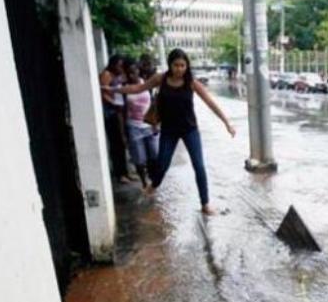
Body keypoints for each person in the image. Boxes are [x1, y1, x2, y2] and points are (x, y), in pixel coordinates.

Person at [105, 49, 236, 215]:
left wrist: (226, 123)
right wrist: (114, 90)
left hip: (190, 130)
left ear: (187, 65)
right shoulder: (161, 79)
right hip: (169, 130)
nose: (179, 69)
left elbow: (210, 103)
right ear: (170, 65)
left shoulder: (191, 82)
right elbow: (138, 88)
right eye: (176, 65)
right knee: (162, 164)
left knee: (199, 166)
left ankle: (205, 204)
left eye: (183, 65)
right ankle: (154, 185)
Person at [123, 60, 159, 189]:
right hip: (133, 127)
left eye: (135, 71)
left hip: (149, 126)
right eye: (130, 73)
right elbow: (122, 111)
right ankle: (144, 183)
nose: (133, 75)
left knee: (154, 155)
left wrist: (156, 124)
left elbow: (154, 105)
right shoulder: (125, 88)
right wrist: (123, 132)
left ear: (139, 71)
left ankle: (153, 179)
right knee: (139, 158)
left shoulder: (147, 85)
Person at [99, 54, 133, 183]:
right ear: (113, 64)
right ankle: (120, 173)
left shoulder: (118, 75)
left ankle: (124, 171)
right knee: (116, 142)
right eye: (119, 65)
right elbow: (102, 92)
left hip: (119, 111)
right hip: (111, 113)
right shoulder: (106, 74)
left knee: (122, 142)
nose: (121, 67)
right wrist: (113, 103)